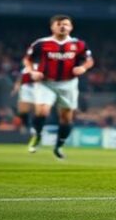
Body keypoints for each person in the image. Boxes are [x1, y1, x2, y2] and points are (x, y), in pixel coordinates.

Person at [24, 14, 94, 159]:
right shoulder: (41, 43)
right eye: (59, 24)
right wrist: (32, 72)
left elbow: (89, 60)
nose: (63, 27)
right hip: (46, 82)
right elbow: (27, 59)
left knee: (66, 118)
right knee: (42, 111)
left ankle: (59, 146)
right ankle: (37, 135)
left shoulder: (79, 44)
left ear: (71, 27)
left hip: (68, 84)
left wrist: (83, 68)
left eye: (66, 24)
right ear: (52, 27)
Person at [10, 62, 36, 133]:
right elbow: (19, 81)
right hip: (26, 90)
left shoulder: (40, 67)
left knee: (35, 110)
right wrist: (15, 90)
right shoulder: (25, 70)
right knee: (23, 111)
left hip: (36, 90)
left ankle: (33, 127)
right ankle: (25, 126)